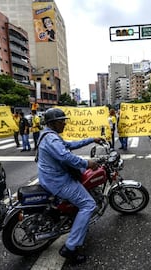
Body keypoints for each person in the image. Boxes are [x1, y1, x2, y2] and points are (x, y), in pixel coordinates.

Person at [36, 108, 101, 265]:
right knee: (88, 205)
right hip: (57, 181)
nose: (64, 123)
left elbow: (69, 146)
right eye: (61, 121)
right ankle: (70, 248)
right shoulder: (51, 139)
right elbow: (65, 156)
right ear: (52, 123)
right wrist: (87, 163)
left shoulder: (48, 135)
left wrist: (92, 139)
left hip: (51, 177)